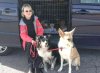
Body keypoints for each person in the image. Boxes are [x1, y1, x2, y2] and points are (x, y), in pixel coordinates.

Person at [19, 4, 44, 73]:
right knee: (29, 47)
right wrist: (31, 40)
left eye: (30, 10)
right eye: (26, 11)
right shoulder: (22, 22)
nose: (28, 12)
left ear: (32, 11)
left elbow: (40, 29)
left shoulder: (35, 19)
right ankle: (31, 67)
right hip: (28, 40)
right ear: (23, 13)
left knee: (39, 50)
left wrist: (38, 38)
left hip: (36, 37)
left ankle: (38, 67)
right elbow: (23, 35)